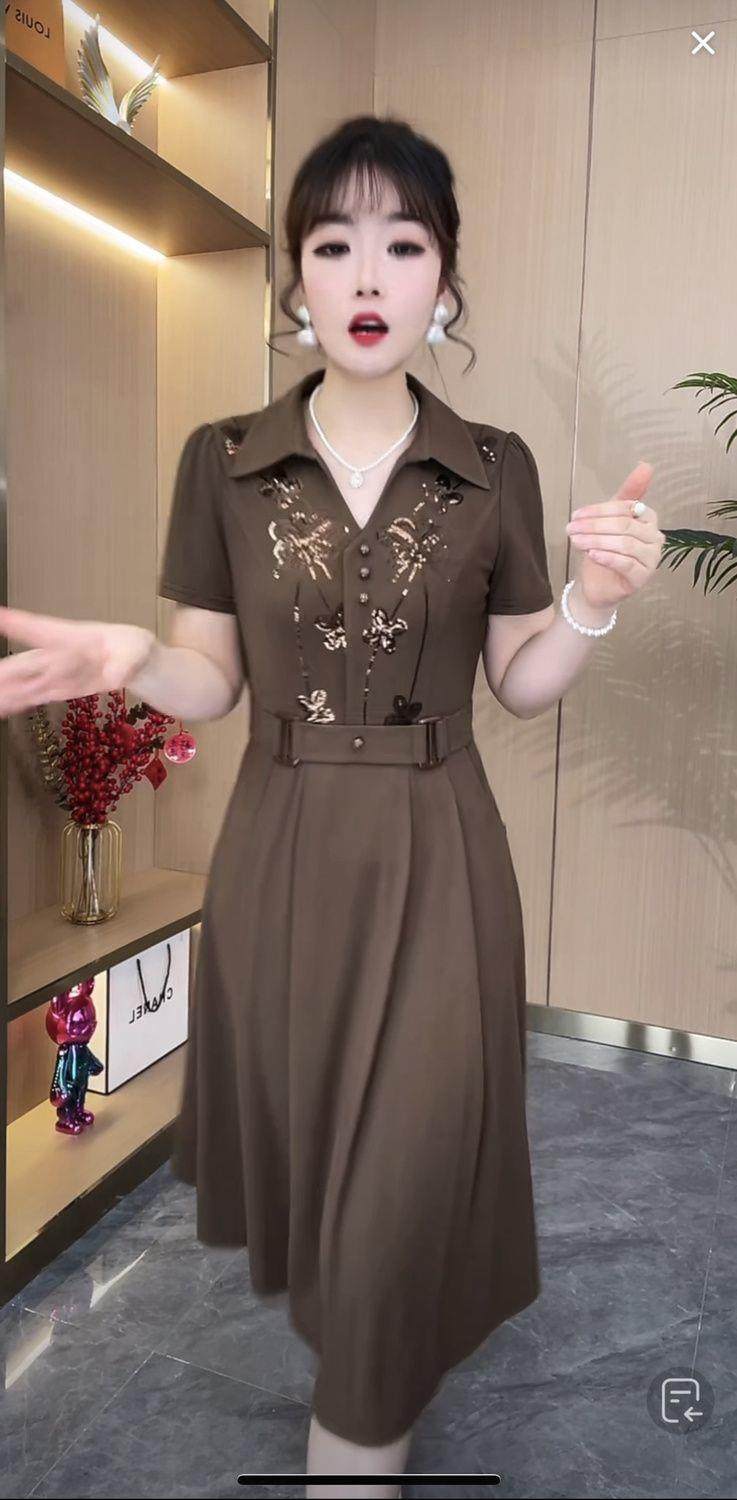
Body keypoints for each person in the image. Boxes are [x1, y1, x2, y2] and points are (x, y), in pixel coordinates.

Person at [0, 115, 662, 1499]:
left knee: (401, 1182)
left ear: (444, 282)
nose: (367, 273)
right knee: (335, 1185)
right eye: (333, 242)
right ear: (296, 277)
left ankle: (356, 1425)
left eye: (403, 244)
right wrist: (129, 658)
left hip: (442, 855)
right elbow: (209, 681)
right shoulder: (223, 459)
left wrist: (593, 605)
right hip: (283, 857)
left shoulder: (495, 466)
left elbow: (522, 683)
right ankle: (373, 1367)